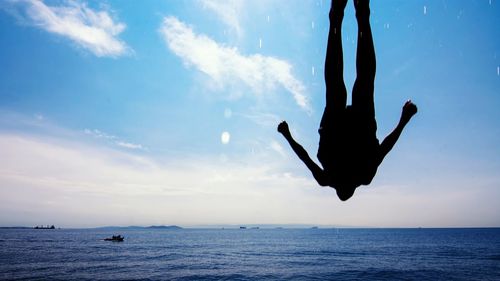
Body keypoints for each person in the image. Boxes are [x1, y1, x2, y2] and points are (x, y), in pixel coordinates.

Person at [277, 0, 417, 201]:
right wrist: (287, 135)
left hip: (342, 128)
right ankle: (349, 17)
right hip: (354, 128)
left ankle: (349, 17)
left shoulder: (347, 177)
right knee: (351, 82)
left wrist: (404, 120)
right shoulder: (351, 176)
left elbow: (386, 147)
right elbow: (304, 157)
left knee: (356, 81)